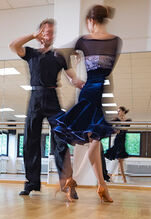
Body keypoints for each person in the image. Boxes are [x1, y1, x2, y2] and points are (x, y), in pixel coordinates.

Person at [9, 19, 85, 198]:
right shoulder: (30, 53)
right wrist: (33, 35)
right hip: (35, 99)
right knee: (30, 142)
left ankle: (67, 182)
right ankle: (31, 183)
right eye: (46, 31)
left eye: (52, 32)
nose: (49, 35)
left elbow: (72, 77)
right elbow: (13, 45)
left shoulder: (59, 56)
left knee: (60, 139)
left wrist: (82, 84)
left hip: (52, 99)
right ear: (40, 33)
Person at [54, 5, 122, 203]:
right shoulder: (116, 41)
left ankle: (96, 184)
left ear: (90, 21)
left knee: (94, 140)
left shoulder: (84, 41)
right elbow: (107, 68)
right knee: (95, 140)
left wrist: (73, 77)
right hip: (103, 89)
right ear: (103, 19)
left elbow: (60, 54)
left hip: (89, 89)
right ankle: (98, 185)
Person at [104, 106, 131, 183]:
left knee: (120, 161)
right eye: (117, 111)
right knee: (119, 161)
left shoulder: (128, 120)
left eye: (119, 111)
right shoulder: (116, 119)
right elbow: (110, 124)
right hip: (117, 140)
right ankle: (121, 178)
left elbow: (126, 128)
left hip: (122, 141)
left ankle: (109, 175)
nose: (118, 112)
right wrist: (115, 130)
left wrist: (120, 125)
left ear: (123, 111)